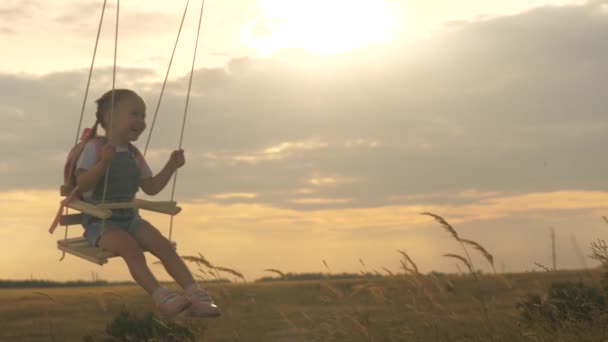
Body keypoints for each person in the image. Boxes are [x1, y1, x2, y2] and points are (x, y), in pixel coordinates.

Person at [75, 88, 221, 318]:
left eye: (143, 116)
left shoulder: (134, 154)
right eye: (134, 114)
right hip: (100, 222)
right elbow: (82, 184)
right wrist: (103, 163)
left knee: (163, 246)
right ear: (109, 117)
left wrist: (171, 167)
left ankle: (196, 294)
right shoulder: (94, 148)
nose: (141, 121)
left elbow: (150, 187)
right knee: (130, 248)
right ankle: (162, 296)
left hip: (130, 218)